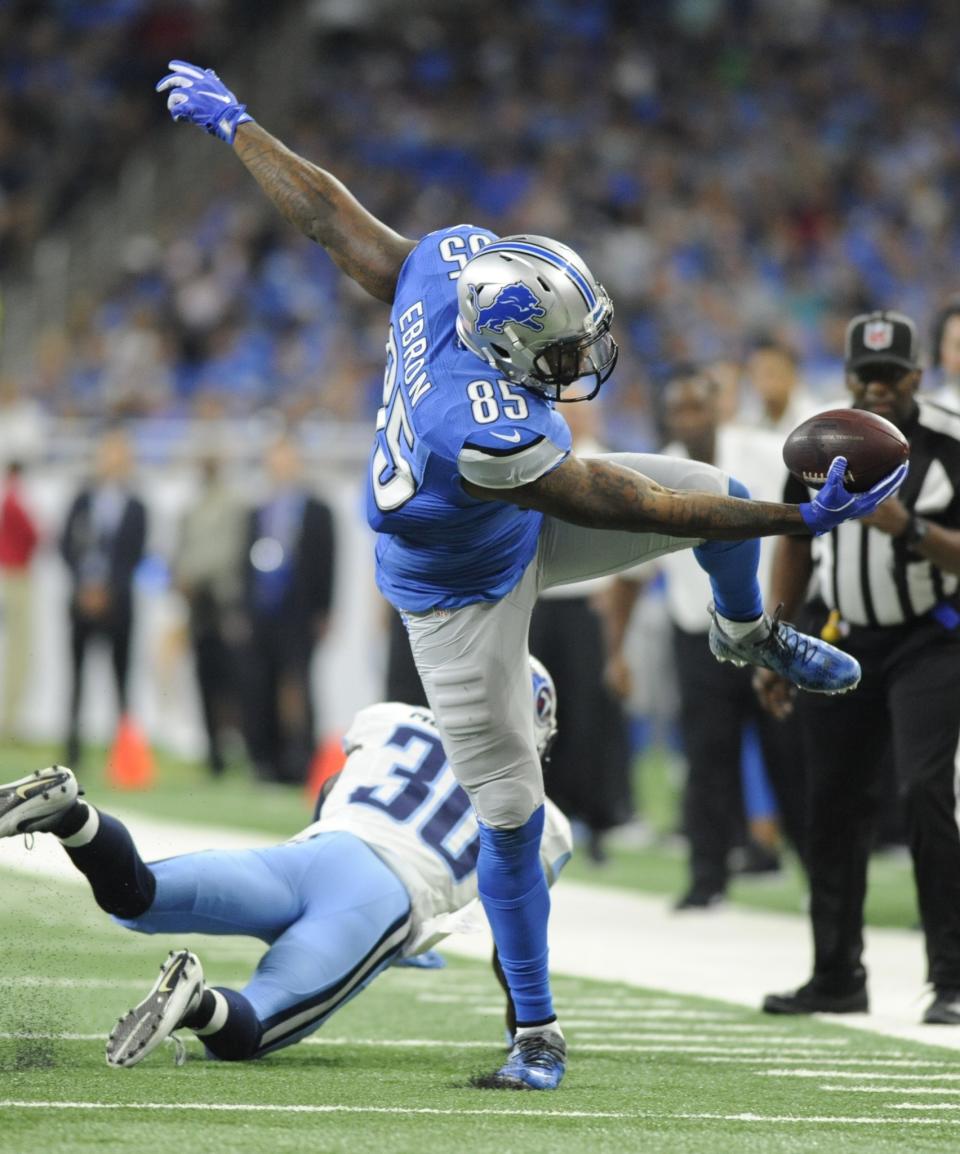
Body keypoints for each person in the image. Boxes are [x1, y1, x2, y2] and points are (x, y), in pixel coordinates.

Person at [155, 61, 906, 1090]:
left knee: (714, 482)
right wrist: (795, 515)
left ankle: (744, 632)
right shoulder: (477, 428)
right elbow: (632, 506)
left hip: (513, 525)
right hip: (460, 593)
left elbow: (333, 219)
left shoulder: (452, 268)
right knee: (511, 813)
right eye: (558, 355)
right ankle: (536, 1028)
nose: (582, 361)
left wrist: (240, 123)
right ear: (507, 351)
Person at [0, 659, 569, 1070]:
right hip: (382, 900)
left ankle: (71, 815)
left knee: (136, 895)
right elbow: (515, 927)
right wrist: (523, 1024)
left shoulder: (391, 720)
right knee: (252, 1029)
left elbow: (330, 790)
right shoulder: (543, 815)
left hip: (313, 855)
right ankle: (196, 1001)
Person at [755, 311, 960, 1025]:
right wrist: (776, 639)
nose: (877, 388)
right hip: (840, 635)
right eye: (864, 375)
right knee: (833, 803)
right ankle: (837, 974)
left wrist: (909, 527)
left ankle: (954, 980)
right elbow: (793, 542)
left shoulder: (949, 443)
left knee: (926, 788)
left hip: (931, 637)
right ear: (847, 377)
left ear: (916, 375)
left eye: (890, 375)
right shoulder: (820, 444)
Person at [604, 368, 807, 909]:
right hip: (700, 635)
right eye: (680, 410)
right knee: (705, 759)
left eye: (698, 407)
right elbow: (629, 575)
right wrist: (616, 650)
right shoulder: (659, 473)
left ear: (718, 406)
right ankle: (706, 878)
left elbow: (804, 535)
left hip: (771, 630)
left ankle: (820, 869)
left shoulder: (765, 453)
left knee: (791, 755)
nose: (690, 419)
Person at [240, 434, 335, 784]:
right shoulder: (258, 509)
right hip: (263, 609)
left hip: (300, 611)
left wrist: (324, 609)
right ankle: (266, 762)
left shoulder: (316, 509)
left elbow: (328, 561)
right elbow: (244, 562)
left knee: (300, 684)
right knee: (260, 685)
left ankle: (304, 761)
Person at [59, 426, 147, 767]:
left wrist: (109, 590)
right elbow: (66, 545)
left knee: (120, 680)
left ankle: (122, 753)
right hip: (82, 601)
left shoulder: (136, 506)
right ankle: (73, 751)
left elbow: (135, 554)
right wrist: (85, 586)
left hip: (118, 605)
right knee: (77, 679)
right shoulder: (82, 500)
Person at [172, 454, 247, 776]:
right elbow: (181, 549)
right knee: (204, 679)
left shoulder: (233, 505)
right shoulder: (193, 506)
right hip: (197, 606)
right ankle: (213, 751)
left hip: (224, 603)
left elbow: (228, 553)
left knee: (232, 683)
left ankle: (239, 747)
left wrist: (189, 572)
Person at [0, 461, 40, 740]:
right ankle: (9, 719)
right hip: (15, 576)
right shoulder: (14, 501)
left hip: (10, 574)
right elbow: (34, 536)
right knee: (17, 651)